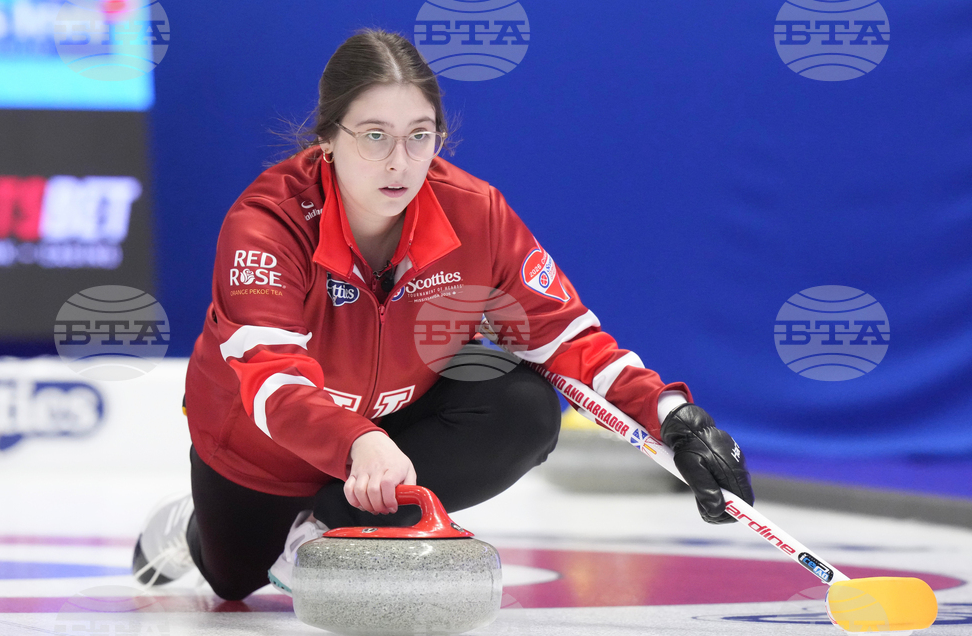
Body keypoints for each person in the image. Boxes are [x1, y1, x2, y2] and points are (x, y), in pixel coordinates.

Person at [131, 29, 754, 601]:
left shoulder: (476, 215)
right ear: (327, 137)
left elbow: (565, 338)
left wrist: (671, 418)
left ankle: (328, 525)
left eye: (419, 135)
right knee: (233, 581)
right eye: (373, 136)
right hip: (261, 445)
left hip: (388, 432)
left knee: (524, 406)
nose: (399, 161)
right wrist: (357, 442)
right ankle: (192, 525)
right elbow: (272, 379)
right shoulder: (267, 223)